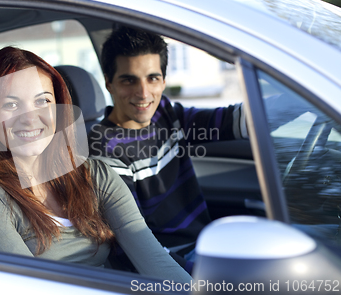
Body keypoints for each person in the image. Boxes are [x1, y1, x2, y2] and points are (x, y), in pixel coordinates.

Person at [0, 46, 192, 283]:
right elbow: (28, 288)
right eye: (11, 105)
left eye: (43, 101)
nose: (30, 118)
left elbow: (155, 261)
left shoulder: (97, 175)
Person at [88, 27, 249, 274]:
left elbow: (231, 121)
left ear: (163, 81)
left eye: (152, 78)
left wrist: (292, 101)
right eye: (129, 80)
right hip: (171, 264)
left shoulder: (163, 112)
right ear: (109, 82)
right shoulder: (104, 149)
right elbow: (134, 244)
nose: (143, 94)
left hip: (204, 244)